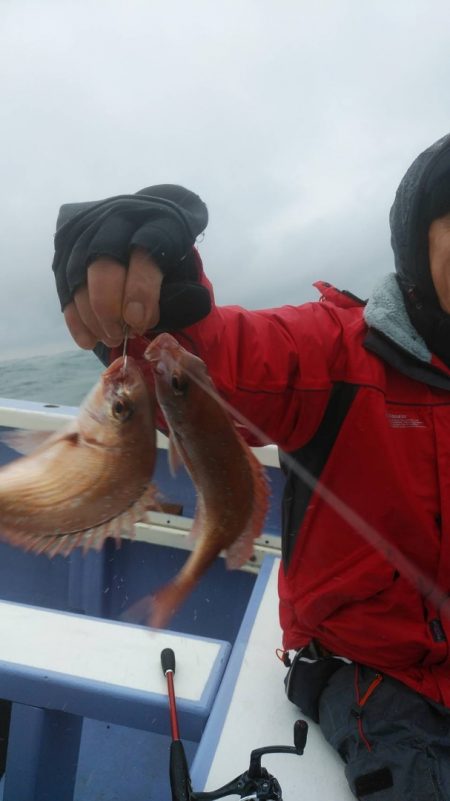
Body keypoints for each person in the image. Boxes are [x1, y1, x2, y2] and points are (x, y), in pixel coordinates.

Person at [52, 133, 450, 800]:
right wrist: (165, 302)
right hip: (372, 673)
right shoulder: (337, 350)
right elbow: (228, 363)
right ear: (419, 235)